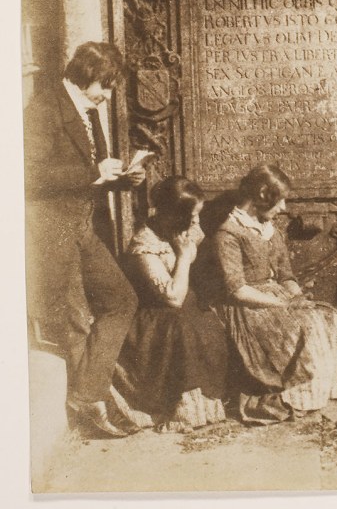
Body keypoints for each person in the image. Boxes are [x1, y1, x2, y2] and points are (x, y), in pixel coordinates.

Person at [24, 41, 146, 438]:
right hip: (50, 230)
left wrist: (125, 178)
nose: (108, 97)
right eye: (105, 87)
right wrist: (95, 172)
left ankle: (86, 393)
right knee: (75, 321)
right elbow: (25, 176)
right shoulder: (44, 109)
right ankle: (92, 407)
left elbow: (93, 175)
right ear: (87, 76)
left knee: (121, 300)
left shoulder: (89, 112)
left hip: (81, 225)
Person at [213, 165, 337, 425]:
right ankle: (303, 401)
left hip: (278, 299)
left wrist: (299, 299)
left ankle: (334, 401)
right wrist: (281, 304)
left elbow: (286, 276)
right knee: (306, 330)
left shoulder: (270, 229)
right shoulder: (228, 233)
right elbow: (237, 290)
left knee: (330, 319)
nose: (283, 208)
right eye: (279, 201)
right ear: (262, 195)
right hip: (250, 307)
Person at [111, 176, 228, 433]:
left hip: (186, 306)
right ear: (174, 214)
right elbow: (172, 298)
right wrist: (185, 258)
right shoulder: (145, 244)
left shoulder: (189, 230)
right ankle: (181, 410)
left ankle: (208, 404)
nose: (197, 221)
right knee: (185, 331)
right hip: (155, 318)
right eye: (193, 215)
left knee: (209, 325)